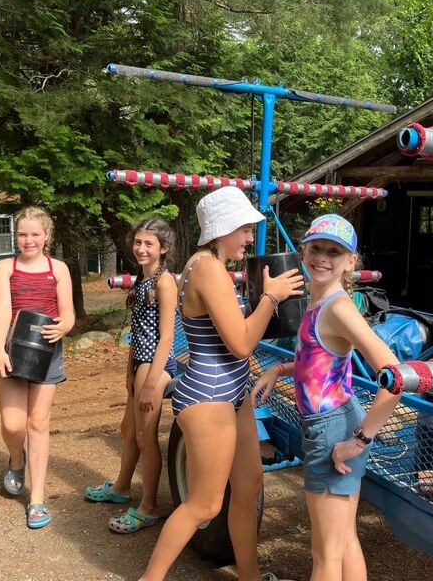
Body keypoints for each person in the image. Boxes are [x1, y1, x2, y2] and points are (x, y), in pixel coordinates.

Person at [136, 186, 304, 581]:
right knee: (206, 504)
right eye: (244, 229)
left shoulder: (211, 266)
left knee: (248, 485)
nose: (249, 238)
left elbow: (231, 325)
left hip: (233, 393)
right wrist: (271, 298)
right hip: (208, 398)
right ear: (222, 228)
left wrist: (261, 303)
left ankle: (249, 575)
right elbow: (242, 343)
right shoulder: (208, 267)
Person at [251, 214, 402, 581]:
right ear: (302, 250)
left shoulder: (337, 307)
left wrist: (360, 438)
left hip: (334, 429)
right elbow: (318, 362)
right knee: (344, 541)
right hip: (334, 420)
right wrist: (277, 370)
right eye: (316, 248)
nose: (322, 257)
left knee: (325, 555)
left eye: (334, 252)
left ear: (351, 261)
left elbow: (395, 376)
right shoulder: (320, 302)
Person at [85, 218, 178, 534]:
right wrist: (129, 371)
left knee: (145, 437)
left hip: (156, 366)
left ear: (163, 248)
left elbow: (166, 337)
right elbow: (136, 333)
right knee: (129, 429)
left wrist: (151, 381)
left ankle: (149, 507)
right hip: (139, 364)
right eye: (138, 242)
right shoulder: (142, 280)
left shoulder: (164, 282)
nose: (141, 248)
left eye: (148, 243)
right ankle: (122, 487)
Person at [0, 206, 75, 530]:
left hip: (47, 351)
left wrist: (64, 327)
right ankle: (16, 459)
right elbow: (2, 308)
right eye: (23, 234)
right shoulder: (5, 268)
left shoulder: (59, 269)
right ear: (17, 236)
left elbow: (67, 313)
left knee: (38, 422)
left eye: (35, 234)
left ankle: (37, 499)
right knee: (13, 425)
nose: (29, 240)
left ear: (46, 236)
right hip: (14, 348)